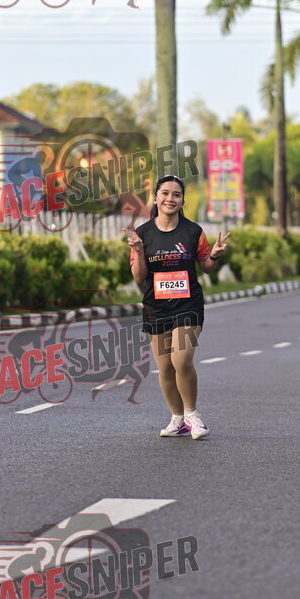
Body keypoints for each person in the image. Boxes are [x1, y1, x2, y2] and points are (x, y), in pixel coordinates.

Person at [124, 175, 229, 440]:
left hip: (188, 305)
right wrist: (139, 251)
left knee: (181, 359)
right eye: (165, 193)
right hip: (156, 307)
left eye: (176, 195)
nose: (170, 199)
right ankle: (177, 419)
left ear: (182, 201)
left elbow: (206, 266)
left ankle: (192, 414)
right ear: (156, 198)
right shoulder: (142, 234)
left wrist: (214, 254)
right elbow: (139, 277)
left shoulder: (193, 232)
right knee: (165, 367)